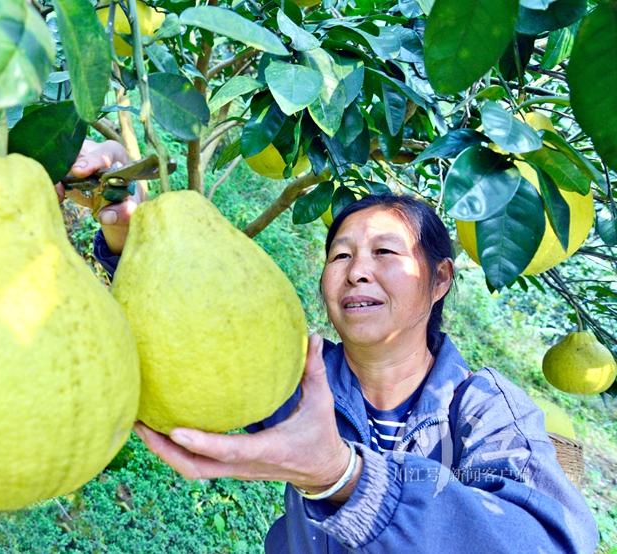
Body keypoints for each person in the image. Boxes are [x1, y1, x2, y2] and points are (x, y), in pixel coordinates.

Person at [61, 141, 599, 553]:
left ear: (439, 281)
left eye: (384, 252)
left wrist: (345, 477)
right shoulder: (297, 376)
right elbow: (188, 337)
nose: (358, 272)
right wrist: (129, 232)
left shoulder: (486, 412)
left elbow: (547, 541)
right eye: (340, 257)